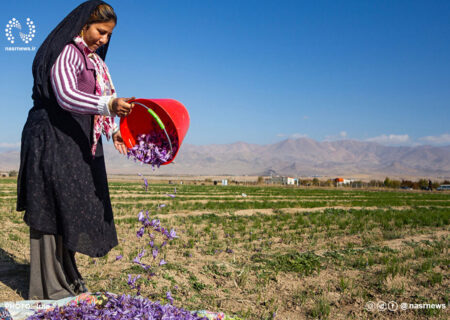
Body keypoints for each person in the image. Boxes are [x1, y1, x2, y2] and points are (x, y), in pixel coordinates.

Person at [16, 0, 132, 299]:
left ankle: (66, 276)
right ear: (83, 24)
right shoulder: (67, 52)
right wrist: (109, 107)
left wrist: (114, 129)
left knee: (68, 207)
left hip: (71, 142)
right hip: (50, 139)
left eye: (108, 35)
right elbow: (67, 95)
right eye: (100, 31)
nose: (103, 39)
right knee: (50, 206)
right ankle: (48, 284)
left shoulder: (94, 61)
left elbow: (101, 97)